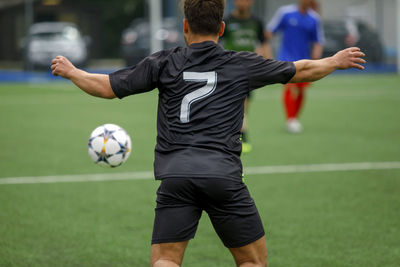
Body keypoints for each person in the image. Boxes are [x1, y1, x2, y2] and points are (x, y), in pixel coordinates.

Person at [50, 0, 365, 265]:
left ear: (185, 26)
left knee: (165, 261)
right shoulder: (241, 64)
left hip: (176, 177)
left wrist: (72, 71)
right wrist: (335, 61)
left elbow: (106, 87)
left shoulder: (164, 62)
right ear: (222, 28)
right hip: (222, 177)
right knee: (253, 262)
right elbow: (302, 70)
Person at [220, 0, 272, 153]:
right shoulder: (227, 21)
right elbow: (217, 42)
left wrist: (269, 64)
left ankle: (240, 135)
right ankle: (239, 135)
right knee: (231, 106)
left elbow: (264, 43)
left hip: (247, 71)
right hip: (228, 70)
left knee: (243, 106)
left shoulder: (256, 22)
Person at [266, 0, 325, 133]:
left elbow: (318, 40)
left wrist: (316, 55)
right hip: (286, 59)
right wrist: (265, 47)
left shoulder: (314, 18)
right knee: (291, 87)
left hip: (305, 60)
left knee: (301, 90)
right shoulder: (285, 13)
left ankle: (294, 118)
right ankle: (290, 119)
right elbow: (270, 31)